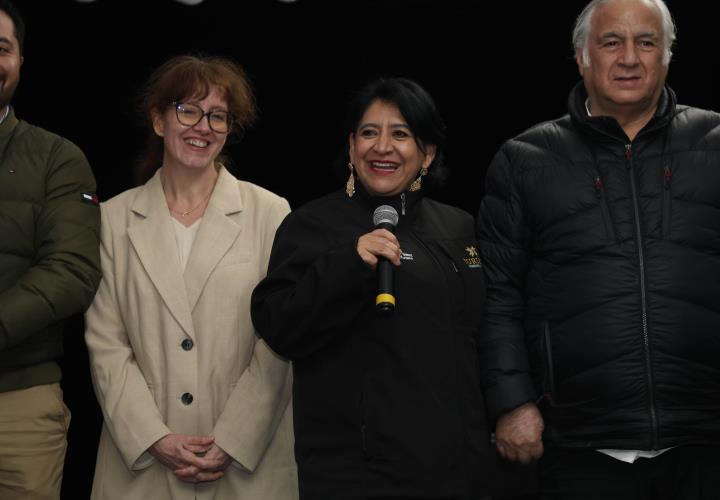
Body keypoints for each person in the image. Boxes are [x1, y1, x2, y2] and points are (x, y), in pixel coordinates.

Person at [477, 0, 720, 497]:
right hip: (582, 449)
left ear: (667, 56)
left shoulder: (716, 142)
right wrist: (511, 403)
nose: (629, 57)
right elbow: (498, 296)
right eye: (611, 42)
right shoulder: (524, 160)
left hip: (709, 441)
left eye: (646, 42)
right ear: (581, 57)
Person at [251, 77, 491, 500]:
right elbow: (280, 326)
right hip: (356, 474)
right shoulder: (312, 225)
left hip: (455, 471)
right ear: (350, 147)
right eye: (368, 132)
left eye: (400, 134)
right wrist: (347, 263)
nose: (382, 146)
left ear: (427, 153)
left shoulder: (459, 227)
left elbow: (481, 339)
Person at [84, 55, 297, 500]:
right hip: (141, 466)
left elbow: (280, 339)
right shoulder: (113, 220)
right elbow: (106, 342)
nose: (202, 126)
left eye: (217, 115)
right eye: (187, 110)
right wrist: (154, 438)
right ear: (159, 120)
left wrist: (233, 438)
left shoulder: (270, 213)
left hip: (243, 463)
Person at [0, 1, 101, 498]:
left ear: (19, 61)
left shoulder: (57, 158)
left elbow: (72, 270)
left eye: (1, 48)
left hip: (17, 401)